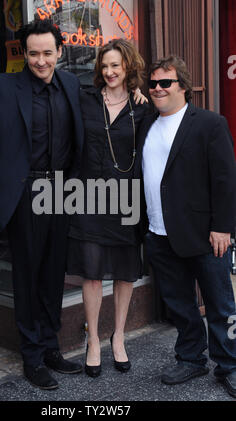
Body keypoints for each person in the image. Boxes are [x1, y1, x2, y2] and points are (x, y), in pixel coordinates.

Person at [0, 18, 84, 390]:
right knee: (27, 277)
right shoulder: (4, 86)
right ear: (24, 53)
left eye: (48, 53)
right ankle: (33, 356)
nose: (41, 61)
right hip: (25, 193)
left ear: (60, 52)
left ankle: (51, 346)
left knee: (54, 276)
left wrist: (136, 96)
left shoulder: (70, 84)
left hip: (62, 193)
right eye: (34, 54)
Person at [137, 55, 236, 398]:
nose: (158, 89)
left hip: (206, 235)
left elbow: (225, 180)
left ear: (183, 86)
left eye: (166, 82)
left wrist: (223, 227)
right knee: (180, 303)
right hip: (159, 233)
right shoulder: (146, 124)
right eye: (153, 84)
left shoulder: (209, 123)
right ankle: (191, 358)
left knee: (221, 304)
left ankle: (231, 364)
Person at [67, 39, 148, 377]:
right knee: (93, 272)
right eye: (105, 65)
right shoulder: (85, 100)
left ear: (128, 67)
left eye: (116, 65)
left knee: (126, 273)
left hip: (127, 199)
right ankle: (94, 341)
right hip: (88, 197)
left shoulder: (142, 107)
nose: (110, 71)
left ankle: (118, 337)